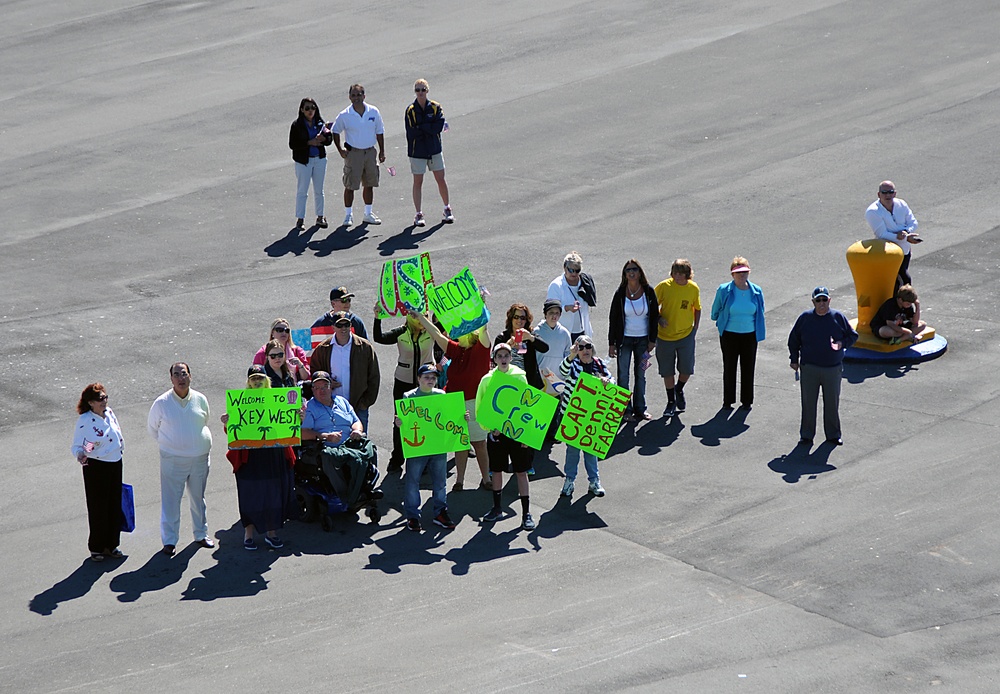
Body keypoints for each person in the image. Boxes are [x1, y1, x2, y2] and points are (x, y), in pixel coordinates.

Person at [411, 310, 492, 492]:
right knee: (460, 444)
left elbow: (484, 329)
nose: (452, 331)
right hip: (454, 402)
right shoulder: (456, 349)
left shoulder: (481, 347)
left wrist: (479, 306)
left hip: (475, 403)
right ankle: (460, 481)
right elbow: (436, 334)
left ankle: (486, 479)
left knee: (480, 444)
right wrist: (421, 317)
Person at [222, 367, 297, 550]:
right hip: (250, 458)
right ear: (248, 382)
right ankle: (248, 534)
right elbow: (233, 432)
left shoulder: (279, 399)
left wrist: (298, 417)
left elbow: (288, 425)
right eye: (253, 379)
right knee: (250, 495)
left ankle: (272, 533)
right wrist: (227, 422)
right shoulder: (240, 401)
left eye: (260, 379)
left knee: (273, 494)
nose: (257, 382)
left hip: (274, 454)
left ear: (267, 380)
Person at [147, 362, 214, 556]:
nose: (180, 378)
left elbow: (204, 420)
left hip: (199, 459)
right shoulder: (161, 403)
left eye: (183, 374)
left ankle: (201, 534)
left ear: (190, 376)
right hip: (173, 461)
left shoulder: (200, 399)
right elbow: (153, 429)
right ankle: (169, 541)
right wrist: (172, 445)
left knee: (198, 498)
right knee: (171, 501)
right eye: (176, 375)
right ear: (171, 379)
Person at [787, 287, 858, 447]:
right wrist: (794, 359)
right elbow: (794, 340)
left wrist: (842, 343)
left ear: (829, 301)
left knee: (832, 403)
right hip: (809, 368)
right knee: (808, 403)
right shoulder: (805, 318)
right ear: (813, 302)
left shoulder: (838, 317)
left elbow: (853, 335)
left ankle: (833, 435)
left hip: (832, 369)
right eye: (818, 300)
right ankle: (806, 435)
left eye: (824, 300)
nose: (822, 303)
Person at [476, 343, 536, 530]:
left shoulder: (520, 376)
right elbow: (481, 407)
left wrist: (526, 434)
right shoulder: (487, 380)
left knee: (521, 471)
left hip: (517, 434)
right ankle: (496, 508)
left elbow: (527, 405)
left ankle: (526, 513)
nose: (503, 359)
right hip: (497, 435)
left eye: (506, 355)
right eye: (499, 356)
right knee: (497, 470)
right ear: (494, 359)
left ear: (511, 357)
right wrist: (490, 428)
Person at [373, 306, 436, 471]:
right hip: (404, 381)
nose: (420, 318)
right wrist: (377, 317)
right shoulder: (401, 332)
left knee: (426, 419)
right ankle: (397, 457)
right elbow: (378, 337)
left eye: (424, 315)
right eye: (416, 315)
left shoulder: (431, 331)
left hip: (426, 383)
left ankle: (425, 459)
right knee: (400, 420)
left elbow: (450, 325)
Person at [394, 364, 457, 532]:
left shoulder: (442, 395)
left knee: (440, 482)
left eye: (434, 378)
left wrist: (461, 417)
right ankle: (413, 515)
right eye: (427, 377)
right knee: (412, 481)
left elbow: (450, 418)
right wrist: (399, 422)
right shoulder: (409, 396)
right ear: (419, 379)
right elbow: (404, 422)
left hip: (437, 445)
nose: (431, 380)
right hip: (418, 448)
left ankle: (440, 512)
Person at [71, 383, 126, 562]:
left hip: (115, 462)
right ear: (90, 403)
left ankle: (112, 544)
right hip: (97, 466)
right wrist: (83, 453)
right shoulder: (85, 420)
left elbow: (116, 431)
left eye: (105, 397)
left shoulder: (109, 413)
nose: (104, 402)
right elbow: (80, 445)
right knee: (98, 507)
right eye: (99, 399)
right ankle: (96, 547)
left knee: (114, 504)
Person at [558, 336, 613, 498]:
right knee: (573, 451)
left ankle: (594, 481)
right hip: (573, 416)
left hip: (592, 416)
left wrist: (607, 381)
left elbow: (612, 382)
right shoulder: (572, 364)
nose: (585, 350)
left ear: (592, 348)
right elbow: (562, 372)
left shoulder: (599, 363)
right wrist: (571, 355)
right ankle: (569, 481)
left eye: (587, 346)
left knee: (590, 450)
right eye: (580, 348)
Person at [309, 310, 380, 433]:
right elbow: (315, 372)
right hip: (330, 407)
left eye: (346, 325)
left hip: (358, 406)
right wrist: (327, 382)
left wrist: (365, 403)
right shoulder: (323, 349)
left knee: (359, 445)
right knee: (335, 443)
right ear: (333, 327)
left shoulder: (365, 348)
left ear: (351, 326)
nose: (343, 329)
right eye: (339, 325)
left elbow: (374, 377)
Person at [710, 256, 766, 410]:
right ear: (732, 274)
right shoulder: (724, 290)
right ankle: (728, 400)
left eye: (745, 272)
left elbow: (760, 311)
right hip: (729, 335)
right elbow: (715, 310)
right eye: (739, 272)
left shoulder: (756, 291)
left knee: (748, 367)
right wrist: (718, 319)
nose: (742, 276)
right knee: (730, 366)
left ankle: (747, 401)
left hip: (750, 334)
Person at [608, 259, 658, 420]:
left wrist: (652, 339)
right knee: (623, 375)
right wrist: (611, 343)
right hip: (625, 341)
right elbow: (613, 318)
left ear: (639, 272)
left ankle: (640, 408)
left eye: (634, 269)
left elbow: (655, 316)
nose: (631, 272)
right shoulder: (621, 293)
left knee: (640, 374)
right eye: (628, 270)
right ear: (624, 274)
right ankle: (625, 410)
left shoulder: (648, 291)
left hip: (643, 340)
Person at [331, 83, 385, 226]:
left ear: (364, 96)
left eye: (359, 95)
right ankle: (348, 215)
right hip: (353, 153)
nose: (356, 98)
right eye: (353, 95)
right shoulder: (345, 115)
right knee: (350, 185)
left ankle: (368, 213)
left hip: (370, 152)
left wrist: (382, 151)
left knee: (369, 183)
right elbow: (335, 131)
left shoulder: (373, 111)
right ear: (349, 97)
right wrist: (340, 150)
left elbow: (379, 131)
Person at [654, 259, 701, 417]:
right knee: (667, 371)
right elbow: (651, 304)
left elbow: (697, 308)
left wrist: (695, 328)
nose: (678, 276)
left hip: (685, 335)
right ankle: (671, 401)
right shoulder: (664, 287)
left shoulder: (693, 288)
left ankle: (678, 389)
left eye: (681, 274)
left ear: (688, 275)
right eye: (675, 273)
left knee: (686, 369)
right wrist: (659, 319)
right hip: (665, 337)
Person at [405, 78, 453, 227]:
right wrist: (427, 128)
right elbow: (412, 132)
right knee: (418, 182)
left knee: (441, 179)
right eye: (417, 90)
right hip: (417, 151)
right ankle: (418, 213)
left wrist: (423, 127)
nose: (420, 93)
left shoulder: (435, 107)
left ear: (427, 91)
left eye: (423, 90)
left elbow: (438, 126)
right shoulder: (411, 110)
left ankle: (447, 208)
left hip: (434, 150)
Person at [865, 180, 921, 290]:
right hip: (889, 254)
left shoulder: (901, 204)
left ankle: (901, 305)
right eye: (884, 192)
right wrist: (903, 237)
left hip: (904, 251)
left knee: (900, 282)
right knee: (903, 281)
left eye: (890, 192)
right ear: (878, 194)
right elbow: (881, 234)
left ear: (895, 193)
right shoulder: (873, 211)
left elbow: (913, 222)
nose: (888, 195)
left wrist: (907, 232)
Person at [288, 97, 332, 230]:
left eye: (312, 108)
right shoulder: (297, 125)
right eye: (307, 108)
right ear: (302, 110)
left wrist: (324, 139)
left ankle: (320, 216)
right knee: (302, 190)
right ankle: (300, 219)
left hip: (319, 159)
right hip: (304, 162)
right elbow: (293, 144)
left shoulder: (320, 123)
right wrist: (309, 143)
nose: (310, 111)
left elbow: (329, 139)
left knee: (319, 190)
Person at [494, 303, 549, 391]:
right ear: (511, 318)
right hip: (508, 383)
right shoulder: (502, 337)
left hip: (529, 384)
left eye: (523, 318)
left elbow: (545, 348)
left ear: (526, 320)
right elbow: (494, 359)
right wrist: (506, 346)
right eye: (516, 317)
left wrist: (531, 338)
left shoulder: (529, 335)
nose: (519, 320)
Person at [301, 371, 366, 444]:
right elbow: (304, 433)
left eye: (325, 386)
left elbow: (356, 421)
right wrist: (325, 436)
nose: (322, 390)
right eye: (317, 387)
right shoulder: (309, 407)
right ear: (312, 389)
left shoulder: (342, 401)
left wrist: (357, 430)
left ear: (331, 387)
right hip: (325, 449)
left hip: (350, 445)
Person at [547, 251, 597, 340]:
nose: (574, 273)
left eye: (577, 270)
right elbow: (549, 308)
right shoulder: (556, 285)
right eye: (570, 270)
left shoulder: (585, 282)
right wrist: (566, 308)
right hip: (564, 333)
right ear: (564, 268)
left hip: (583, 331)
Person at [535, 299, 573, 392]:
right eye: (551, 312)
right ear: (545, 314)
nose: (554, 316)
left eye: (557, 313)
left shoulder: (565, 333)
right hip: (540, 378)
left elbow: (568, 356)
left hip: (558, 379)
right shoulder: (536, 332)